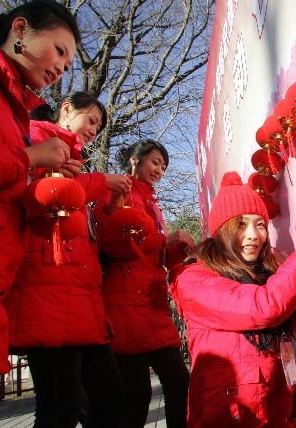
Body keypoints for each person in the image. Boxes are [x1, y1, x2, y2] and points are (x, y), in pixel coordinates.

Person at [0, 1, 80, 426]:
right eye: (59, 51)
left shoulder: (12, 106)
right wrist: (27, 158)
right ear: (20, 29)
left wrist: (46, 190)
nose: (61, 68)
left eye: (68, 63)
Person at [170, 171, 296, 427]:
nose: (253, 234)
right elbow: (263, 307)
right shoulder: (194, 279)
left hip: (274, 412)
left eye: (260, 224)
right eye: (241, 224)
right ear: (222, 231)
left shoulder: (264, 277)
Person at [4, 91, 131, 427]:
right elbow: (45, 195)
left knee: (109, 397)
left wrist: (109, 209)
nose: (94, 130)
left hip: (80, 296)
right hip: (46, 291)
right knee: (61, 408)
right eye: (91, 120)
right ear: (66, 109)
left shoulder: (75, 161)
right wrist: (100, 181)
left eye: (98, 127)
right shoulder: (35, 140)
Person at [93, 139, 194, 428]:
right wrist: (165, 240)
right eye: (155, 162)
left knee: (179, 382)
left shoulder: (152, 203)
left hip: (152, 302)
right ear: (135, 160)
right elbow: (114, 242)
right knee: (137, 395)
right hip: (125, 302)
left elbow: (155, 254)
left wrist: (176, 249)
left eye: (163, 167)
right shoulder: (116, 191)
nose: (159, 170)